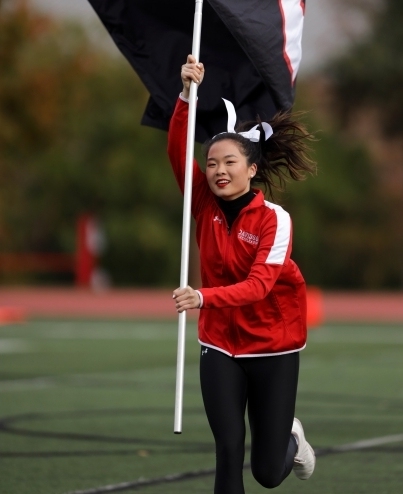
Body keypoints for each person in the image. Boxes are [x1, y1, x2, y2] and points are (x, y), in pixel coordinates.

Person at [170, 55, 316, 493]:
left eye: (229, 162)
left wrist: (203, 297)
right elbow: (178, 152)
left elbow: (259, 287)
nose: (218, 171)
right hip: (218, 342)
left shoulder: (275, 219)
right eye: (212, 163)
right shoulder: (202, 204)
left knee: (268, 474)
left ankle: (290, 436)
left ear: (251, 170)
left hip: (273, 343)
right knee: (228, 450)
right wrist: (185, 95)